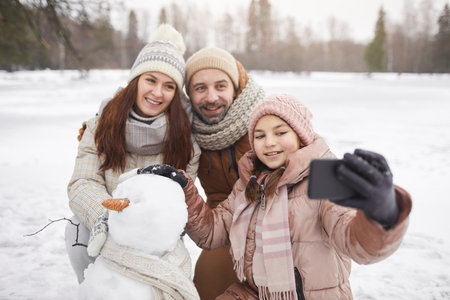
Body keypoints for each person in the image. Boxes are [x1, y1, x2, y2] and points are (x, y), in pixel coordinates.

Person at [148, 94, 413, 299]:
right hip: (254, 292)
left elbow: (359, 246)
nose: (269, 142)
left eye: (280, 132)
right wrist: (184, 189)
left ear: (300, 136)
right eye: (260, 136)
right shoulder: (249, 185)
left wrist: (381, 213)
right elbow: (212, 232)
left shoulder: (321, 183)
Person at [65, 24, 201, 284]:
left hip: (156, 231)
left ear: (176, 93)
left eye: (169, 85)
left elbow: (181, 199)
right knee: (75, 229)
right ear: (135, 80)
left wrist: (147, 221)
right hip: (103, 224)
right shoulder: (100, 124)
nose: (157, 93)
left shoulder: (186, 139)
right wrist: (107, 217)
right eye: (150, 80)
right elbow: (82, 183)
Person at [184, 47, 265, 299]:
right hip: (223, 227)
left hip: (271, 224)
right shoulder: (189, 127)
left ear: (235, 88)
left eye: (220, 86)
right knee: (204, 288)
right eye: (200, 88)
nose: (211, 97)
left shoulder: (262, 120)